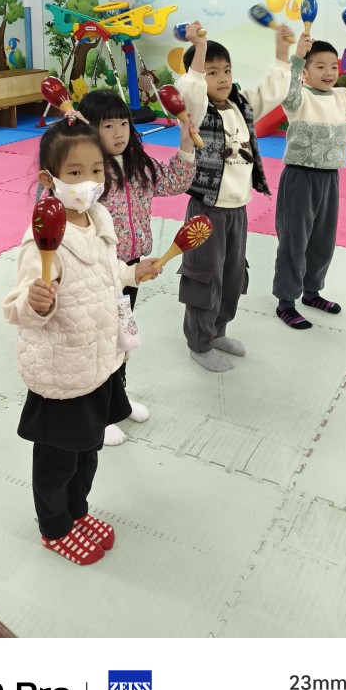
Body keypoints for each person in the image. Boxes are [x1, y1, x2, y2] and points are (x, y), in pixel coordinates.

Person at [3, 115, 160, 565]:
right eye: (74, 173)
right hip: (61, 371)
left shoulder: (99, 218)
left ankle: (77, 511)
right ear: (48, 180)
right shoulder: (42, 241)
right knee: (58, 460)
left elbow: (105, 275)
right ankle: (55, 527)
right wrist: (36, 302)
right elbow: (15, 306)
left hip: (99, 363)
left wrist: (132, 272)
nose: (88, 182)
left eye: (95, 170)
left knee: (88, 451)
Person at [77, 88, 198, 446]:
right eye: (107, 125)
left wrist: (185, 142)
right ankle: (96, 414)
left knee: (122, 337)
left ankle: (118, 401)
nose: (118, 132)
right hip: (98, 270)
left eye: (123, 123)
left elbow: (176, 181)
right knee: (99, 342)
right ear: (88, 129)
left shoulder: (138, 166)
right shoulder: (86, 174)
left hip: (132, 268)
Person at [175, 19, 294, 372]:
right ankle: (199, 343)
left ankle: (218, 331)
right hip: (207, 209)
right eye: (212, 73)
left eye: (226, 70)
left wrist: (282, 50)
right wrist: (199, 48)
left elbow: (273, 90)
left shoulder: (240, 104)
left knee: (231, 275)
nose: (223, 78)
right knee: (204, 276)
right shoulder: (197, 111)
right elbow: (190, 90)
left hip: (237, 210)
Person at [273, 33, 346, 329]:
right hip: (299, 178)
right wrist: (297, 57)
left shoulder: (342, 97)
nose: (329, 72)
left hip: (330, 178)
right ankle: (286, 301)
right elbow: (286, 89)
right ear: (306, 73)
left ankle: (311, 292)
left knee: (322, 240)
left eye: (334, 66)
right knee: (294, 241)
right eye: (320, 66)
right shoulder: (299, 98)